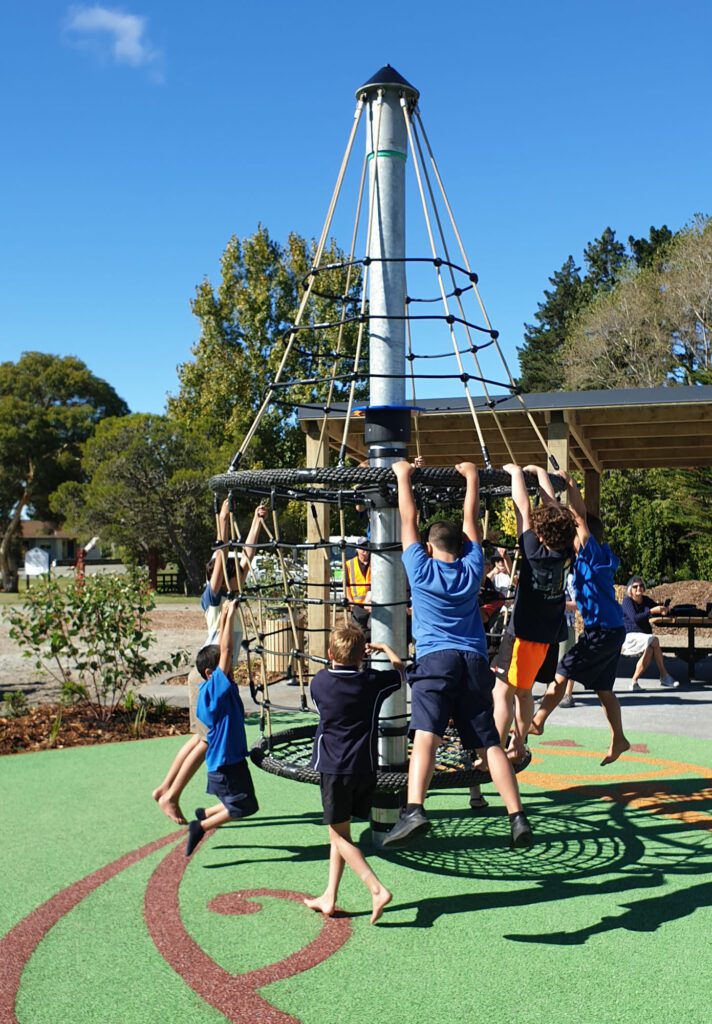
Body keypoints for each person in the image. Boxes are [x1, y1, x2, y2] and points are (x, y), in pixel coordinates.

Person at [382, 460, 533, 849]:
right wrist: (472, 479)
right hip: (472, 661)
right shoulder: (472, 569)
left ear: (429, 547)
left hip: (436, 660)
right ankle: (517, 816)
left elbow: (408, 516)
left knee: (427, 735)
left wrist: (403, 477)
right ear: (462, 546)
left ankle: (414, 809)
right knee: (489, 743)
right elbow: (472, 523)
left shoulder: (419, 567)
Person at [152, 501, 266, 824]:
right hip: (207, 677)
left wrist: (256, 520)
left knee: (199, 739)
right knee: (205, 744)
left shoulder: (235, 590)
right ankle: (171, 796)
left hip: (208, 676)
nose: (238, 572)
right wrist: (223, 519)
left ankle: (163, 789)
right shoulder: (213, 597)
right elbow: (223, 557)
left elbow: (247, 554)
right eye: (231, 571)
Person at [528, 475, 630, 765]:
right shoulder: (592, 562)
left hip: (602, 632)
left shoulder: (591, 553)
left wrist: (571, 484)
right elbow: (586, 600)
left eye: (572, 535)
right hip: (609, 630)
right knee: (604, 689)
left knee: (562, 672)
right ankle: (619, 738)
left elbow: (578, 516)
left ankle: (539, 720)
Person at [304, 624, 402, 924]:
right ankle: (329, 896)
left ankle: (376, 889)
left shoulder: (320, 682)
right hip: (364, 768)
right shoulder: (372, 682)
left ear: (331, 654)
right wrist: (384, 649)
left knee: (338, 835)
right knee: (341, 832)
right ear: (363, 655)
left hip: (334, 768)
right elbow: (400, 673)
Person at [491, 464, 576, 761]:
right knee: (524, 692)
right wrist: (540, 474)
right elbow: (552, 512)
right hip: (547, 635)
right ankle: (519, 743)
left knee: (503, 693)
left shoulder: (533, 551)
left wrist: (516, 475)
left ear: (541, 533)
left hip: (522, 634)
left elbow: (523, 510)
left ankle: (496, 750)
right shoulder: (566, 552)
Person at [185, 598, 259, 856]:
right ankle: (201, 825)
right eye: (223, 667)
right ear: (209, 673)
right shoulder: (213, 690)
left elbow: (226, 653)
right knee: (241, 808)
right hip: (224, 764)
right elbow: (226, 652)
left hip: (232, 760)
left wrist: (227, 617)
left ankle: (204, 813)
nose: (231, 667)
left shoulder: (218, 688)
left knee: (248, 804)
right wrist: (228, 614)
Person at [620, 577, 679, 691]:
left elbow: (656, 610)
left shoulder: (646, 600)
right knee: (655, 640)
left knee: (651, 649)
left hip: (644, 636)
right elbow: (635, 618)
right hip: (631, 636)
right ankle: (664, 675)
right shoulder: (627, 601)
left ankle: (634, 682)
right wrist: (652, 611)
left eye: (641, 586)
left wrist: (665, 611)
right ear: (629, 589)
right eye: (635, 586)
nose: (639, 588)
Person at [344, 538, 371, 637]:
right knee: (358, 635)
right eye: (362, 547)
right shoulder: (349, 564)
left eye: (366, 546)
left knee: (370, 634)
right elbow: (346, 586)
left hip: (372, 606)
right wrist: (351, 603)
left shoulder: (376, 562)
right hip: (357, 607)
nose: (365, 549)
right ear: (357, 549)